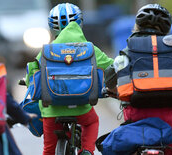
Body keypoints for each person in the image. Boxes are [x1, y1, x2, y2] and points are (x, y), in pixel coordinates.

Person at [105, 4, 172, 155]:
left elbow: (110, 77)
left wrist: (110, 89)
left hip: (136, 118)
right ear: (166, 29)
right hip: (168, 122)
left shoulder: (130, 49)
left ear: (137, 26)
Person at [25, 3, 114, 155]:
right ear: (79, 23)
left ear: (52, 27)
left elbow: (32, 73)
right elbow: (111, 66)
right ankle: (87, 151)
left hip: (51, 110)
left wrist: (28, 82)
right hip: (81, 107)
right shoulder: (89, 48)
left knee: (48, 149)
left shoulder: (47, 51)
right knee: (92, 122)